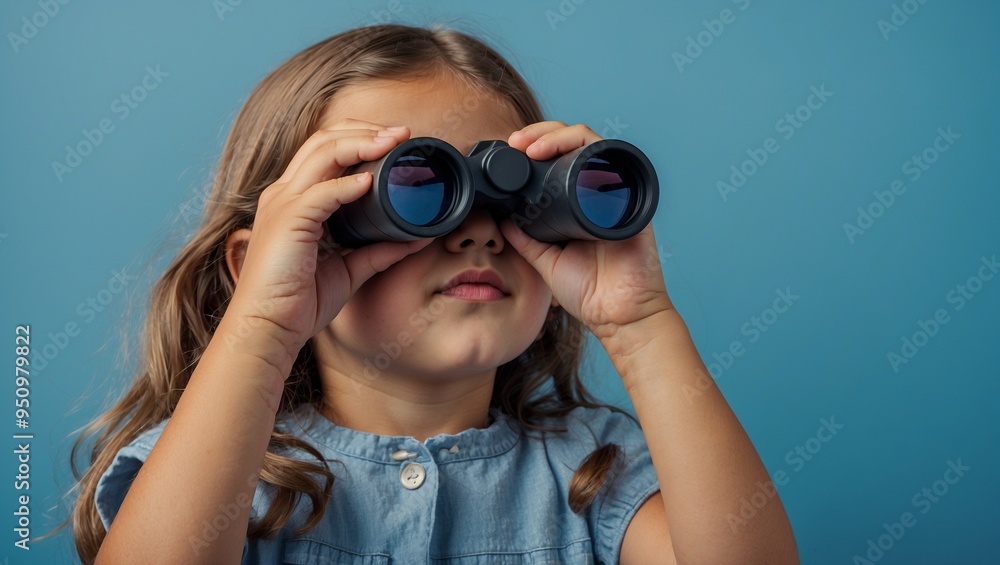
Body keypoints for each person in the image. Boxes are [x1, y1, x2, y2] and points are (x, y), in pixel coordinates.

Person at [71, 24, 798, 564]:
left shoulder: (594, 470)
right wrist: (262, 323)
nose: (477, 234)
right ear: (264, 259)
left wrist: (641, 324)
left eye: (512, 199)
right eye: (418, 190)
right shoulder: (228, 470)